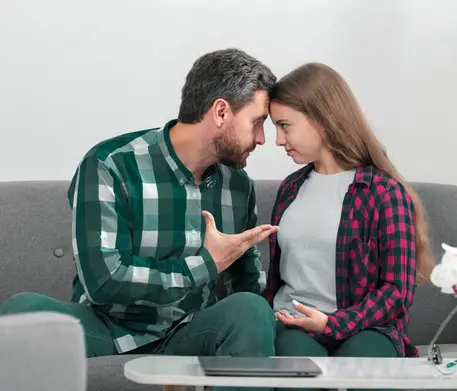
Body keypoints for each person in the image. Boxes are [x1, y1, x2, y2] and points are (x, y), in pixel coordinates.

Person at [0, 49, 280, 369]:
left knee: (251, 310)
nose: (261, 139)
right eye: (257, 122)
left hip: (191, 333)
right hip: (107, 329)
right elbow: (103, 281)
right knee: (22, 311)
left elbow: (245, 285)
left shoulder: (238, 185)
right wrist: (204, 265)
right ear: (220, 113)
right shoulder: (109, 165)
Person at [262, 62, 434, 386]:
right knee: (301, 375)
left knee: (360, 370)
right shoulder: (289, 189)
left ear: (321, 118)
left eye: (285, 126)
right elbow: (276, 279)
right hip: (293, 323)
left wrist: (333, 324)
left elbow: (398, 291)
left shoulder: (384, 193)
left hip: (368, 328)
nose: (277, 140)